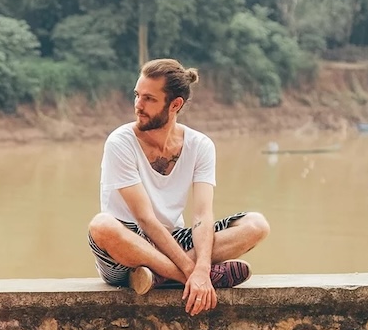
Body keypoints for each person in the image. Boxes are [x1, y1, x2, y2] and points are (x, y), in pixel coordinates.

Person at [87, 58, 270, 316]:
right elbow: (145, 218)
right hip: (126, 251)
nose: (138, 105)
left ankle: (159, 276)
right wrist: (192, 274)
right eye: (137, 95)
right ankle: (178, 278)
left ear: (175, 105)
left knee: (256, 225)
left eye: (149, 99)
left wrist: (202, 268)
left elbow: (202, 215)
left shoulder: (200, 145)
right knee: (102, 226)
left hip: (172, 239)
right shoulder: (120, 142)